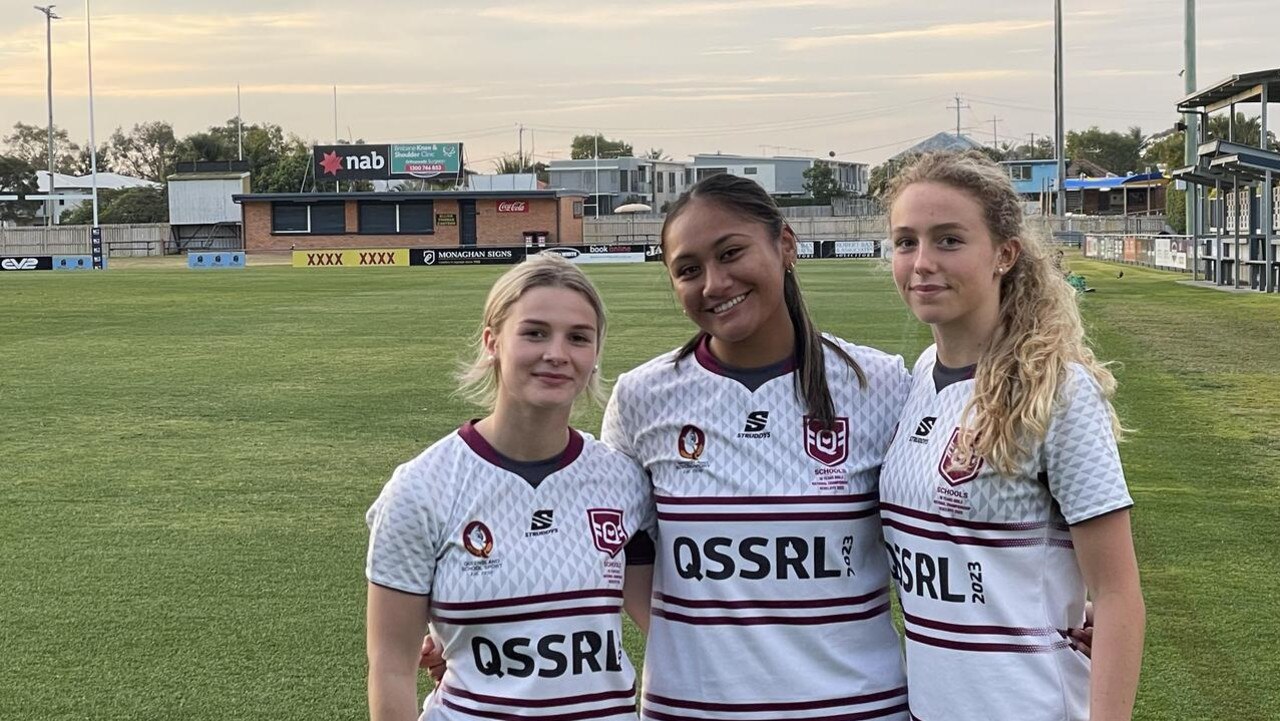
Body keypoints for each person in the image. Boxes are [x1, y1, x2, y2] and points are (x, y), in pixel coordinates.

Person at [602, 173, 912, 720]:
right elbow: (618, 549)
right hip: (694, 709)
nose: (714, 283)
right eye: (688, 270)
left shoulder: (878, 383)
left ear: (785, 245)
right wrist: (703, 639)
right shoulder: (642, 398)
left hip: (855, 707)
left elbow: (945, 530)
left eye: (731, 253)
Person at [879, 151, 1144, 721]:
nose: (922, 262)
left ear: (1004, 253)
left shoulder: (1058, 390)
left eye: (948, 240)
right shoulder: (921, 375)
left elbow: (1119, 593)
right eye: (905, 242)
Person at [365, 254, 655, 721]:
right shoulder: (422, 488)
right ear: (492, 341)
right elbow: (391, 666)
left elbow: (668, 622)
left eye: (578, 337)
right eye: (535, 332)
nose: (557, 353)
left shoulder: (623, 479)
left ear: (596, 353)